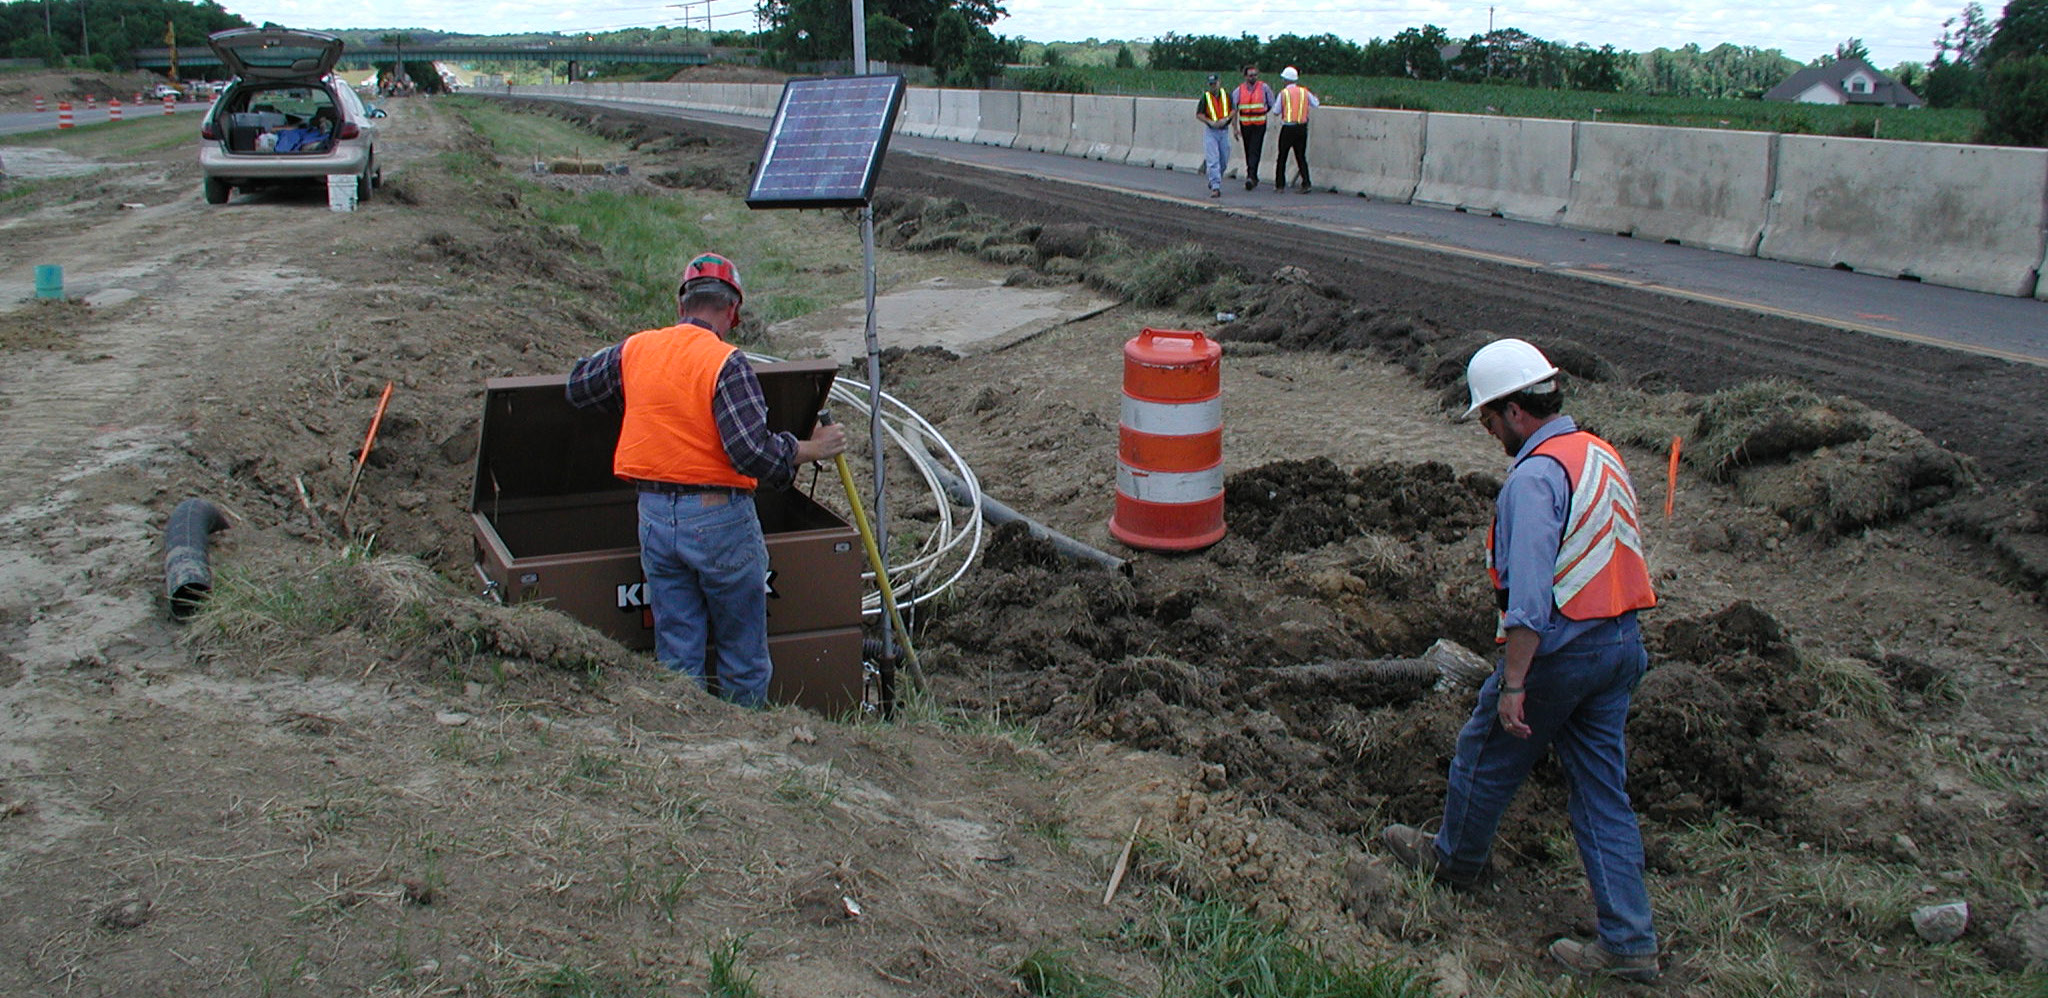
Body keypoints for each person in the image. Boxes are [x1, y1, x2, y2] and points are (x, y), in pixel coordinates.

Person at [1380, 338, 1661, 983]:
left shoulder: (1534, 478)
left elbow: (1530, 603)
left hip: (1564, 651)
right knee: (1600, 792)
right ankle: (1628, 941)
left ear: (1513, 411)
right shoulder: (1599, 453)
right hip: (1622, 644)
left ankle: (1455, 862)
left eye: (1488, 419)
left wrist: (1513, 684)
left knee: (1484, 752)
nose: (1489, 432)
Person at [565, 253, 847, 707]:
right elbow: (750, 451)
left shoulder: (636, 349)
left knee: (677, 647)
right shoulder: (726, 364)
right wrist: (810, 449)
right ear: (733, 312)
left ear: (681, 305)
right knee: (742, 650)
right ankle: (743, 747)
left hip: (655, 517)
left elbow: (579, 385)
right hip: (719, 521)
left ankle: (686, 745)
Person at [1272, 66, 1320, 193]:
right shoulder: (1305, 92)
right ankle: (1306, 183)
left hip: (1288, 128)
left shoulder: (1284, 93)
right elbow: (1315, 104)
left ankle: (1280, 186)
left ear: (1286, 80)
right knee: (1300, 157)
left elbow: (1276, 111)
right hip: (1302, 128)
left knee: (1282, 157)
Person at [1232, 65, 1275, 191]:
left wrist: (1262, 112)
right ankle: (1253, 176)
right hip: (1245, 125)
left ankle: (1251, 176)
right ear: (1245, 76)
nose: (1253, 77)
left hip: (1259, 124)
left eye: (1255, 75)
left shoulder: (1264, 88)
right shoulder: (1239, 90)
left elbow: (1271, 103)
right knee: (1248, 150)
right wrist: (1235, 128)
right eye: (1250, 75)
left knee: (1255, 150)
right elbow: (1234, 110)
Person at [1195, 73, 1235, 198]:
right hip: (1211, 131)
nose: (1213, 86)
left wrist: (1227, 118)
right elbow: (1199, 114)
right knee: (1213, 159)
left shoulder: (1227, 96)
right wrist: (1210, 121)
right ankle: (1215, 186)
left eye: (1215, 83)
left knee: (1224, 158)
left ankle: (1215, 178)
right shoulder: (1205, 97)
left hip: (1224, 130)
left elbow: (1233, 110)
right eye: (1211, 84)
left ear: (1219, 82)